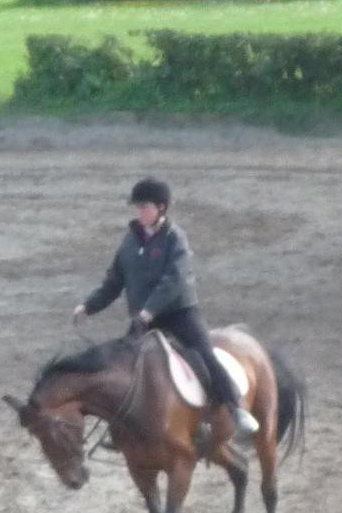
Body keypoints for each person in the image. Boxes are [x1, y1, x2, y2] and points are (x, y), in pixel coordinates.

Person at [73, 176, 259, 443]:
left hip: (179, 314)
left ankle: (235, 409)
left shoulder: (175, 238)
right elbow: (114, 281)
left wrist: (149, 310)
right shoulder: (129, 242)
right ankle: (121, 429)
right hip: (143, 318)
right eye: (137, 207)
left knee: (204, 356)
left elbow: (174, 280)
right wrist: (90, 305)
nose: (139, 212)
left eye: (144, 207)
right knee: (125, 366)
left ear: (161, 207)